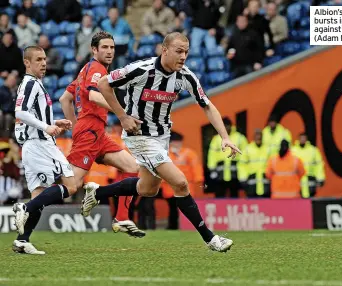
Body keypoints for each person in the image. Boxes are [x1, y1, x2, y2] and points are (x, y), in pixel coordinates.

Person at [81, 32, 241, 252]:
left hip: (162, 137)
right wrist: (123, 116)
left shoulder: (185, 76)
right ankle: (211, 239)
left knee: (147, 189)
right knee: (181, 183)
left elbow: (206, 104)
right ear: (164, 50)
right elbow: (102, 83)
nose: (183, 56)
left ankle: (97, 193)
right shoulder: (141, 69)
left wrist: (225, 136)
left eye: (186, 52)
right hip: (139, 136)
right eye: (178, 51)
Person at [59, 31, 145, 237]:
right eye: (104, 47)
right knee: (72, 185)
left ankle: (122, 217)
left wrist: (75, 125)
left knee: (132, 167)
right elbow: (93, 94)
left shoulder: (84, 70)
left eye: (112, 47)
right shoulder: (96, 69)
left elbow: (64, 99)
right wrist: (122, 113)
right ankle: (30, 206)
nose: (109, 51)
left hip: (96, 131)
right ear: (94, 50)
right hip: (90, 130)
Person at [12, 46, 76, 255]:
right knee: (71, 185)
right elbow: (20, 112)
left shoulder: (32, 84)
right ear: (27, 63)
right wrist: (46, 128)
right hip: (40, 144)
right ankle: (25, 209)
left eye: (44, 59)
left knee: (39, 194)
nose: (43, 63)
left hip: (32, 146)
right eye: (38, 59)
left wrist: (54, 122)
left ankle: (22, 240)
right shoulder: (30, 84)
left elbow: (29, 116)